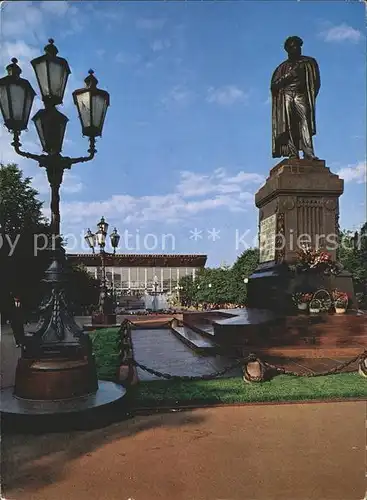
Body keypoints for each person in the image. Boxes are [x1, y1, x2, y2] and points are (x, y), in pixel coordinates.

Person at [271, 36, 320, 160]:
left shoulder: (309, 62)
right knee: (289, 124)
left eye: (298, 46)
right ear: (288, 49)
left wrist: (310, 96)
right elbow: (274, 86)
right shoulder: (282, 68)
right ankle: (293, 153)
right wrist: (289, 76)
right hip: (286, 95)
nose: (297, 49)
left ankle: (308, 152)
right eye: (293, 46)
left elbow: (316, 82)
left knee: (305, 123)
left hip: (301, 95)